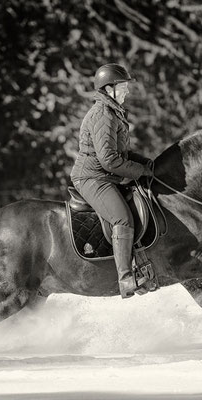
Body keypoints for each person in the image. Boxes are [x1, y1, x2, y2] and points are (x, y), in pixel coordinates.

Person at [70, 63, 153, 298]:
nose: (126, 91)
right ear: (109, 89)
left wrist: (148, 164)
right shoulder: (103, 115)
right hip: (92, 177)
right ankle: (126, 278)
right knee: (123, 219)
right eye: (123, 86)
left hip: (106, 174)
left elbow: (121, 154)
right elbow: (108, 160)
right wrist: (140, 171)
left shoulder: (113, 112)